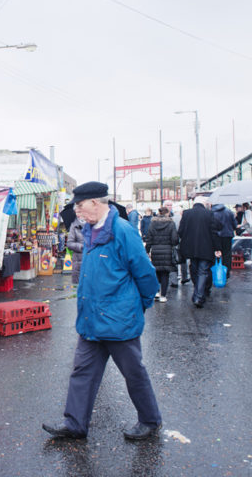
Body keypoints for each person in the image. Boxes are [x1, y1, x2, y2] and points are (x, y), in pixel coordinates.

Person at [43, 181, 162, 441]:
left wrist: (138, 305)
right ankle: (74, 423)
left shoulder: (122, 230)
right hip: (91, 320)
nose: (77, 211)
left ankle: (150, 420)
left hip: (119, 321)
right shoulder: (89, 230)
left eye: (80, 206)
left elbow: (145, 274)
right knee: (82, 372)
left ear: (96, 203)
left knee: (133, 373)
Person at [178, 197, 222, 308]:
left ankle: (198, 293)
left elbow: (181, 231)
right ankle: (198, 296)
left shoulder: (186, 213)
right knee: (203, 271)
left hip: (190, 248)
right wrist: (217, 248)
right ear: (205, 204)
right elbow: (214, 232)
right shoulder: (209, 214)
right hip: (206, 248)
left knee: (194, 269)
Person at [144, 206, 179, 303]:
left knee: (156, 272)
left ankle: (156, 292)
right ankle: (163, 295)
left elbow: (149, 238)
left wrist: (147, 250)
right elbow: (174, 239)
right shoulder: (171, 223)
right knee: (165, 273)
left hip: (155, 250)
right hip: (167, 250)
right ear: (167, 213)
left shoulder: (152, 223)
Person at [211, 204, 237, 278]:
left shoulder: (212, 212)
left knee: (216, 254)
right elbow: (234, 225)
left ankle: (216, 272)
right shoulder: (229, 212)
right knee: (227, 254)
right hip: (227, 235)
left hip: (216, 236)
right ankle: (226, 272)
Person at [67, 217, 85, 285]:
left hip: (91, 262)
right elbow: (69, 243)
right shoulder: (74, 226)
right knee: (78, 288)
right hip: (78, 263)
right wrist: (81, 247)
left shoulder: (93, 225)